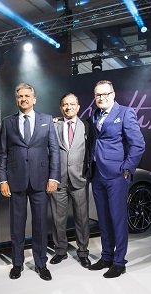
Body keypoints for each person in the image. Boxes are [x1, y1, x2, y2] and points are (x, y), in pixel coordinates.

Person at [0, 83, 60, 281]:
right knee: (17, 225)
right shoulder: (7, 122)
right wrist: (3, 180)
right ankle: (17, 264)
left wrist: (53, 177)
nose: (23, 99)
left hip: (41, 181)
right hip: (15, 181)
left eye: (27, 95)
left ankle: (41, 263)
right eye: (20, 96)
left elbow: (54, 151)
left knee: (40, 224)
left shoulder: (47, 120)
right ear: (16, 99)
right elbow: (2, 154)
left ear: (34, 99)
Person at [87, 80, 145, 278]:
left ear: (113, 94)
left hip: (116, 175)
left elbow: (138, 144)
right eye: (97, 95)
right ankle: (106, 257)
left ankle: (119, 262)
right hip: (97, 174)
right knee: (103, 219)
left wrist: (127, 168)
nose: (101, 98)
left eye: (105, 94)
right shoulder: (94, 114)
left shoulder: (125, 113)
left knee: (118, 219)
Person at [49, 93, 91, 268]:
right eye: (65, 105)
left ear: (78, 107)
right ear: (61, 108)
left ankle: (83, 252)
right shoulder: (54, 126)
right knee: (58, 219)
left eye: (72, 104)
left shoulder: (87, 126)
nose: (68, 107)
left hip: (79, 179)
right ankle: (60, 251)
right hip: (58, 180)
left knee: (82, 219)